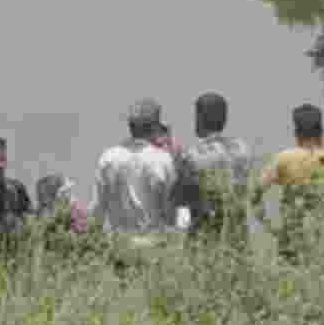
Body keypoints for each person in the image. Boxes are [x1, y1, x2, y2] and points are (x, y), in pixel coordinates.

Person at [172, 92, 260, 252]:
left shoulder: (192, 155)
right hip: (238, 239)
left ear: (199, 118)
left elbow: (178, 199)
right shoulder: (243, 150)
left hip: (205, 241)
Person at [90, 98, 181, 250]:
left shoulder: (108, 158)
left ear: (129, 126)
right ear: (154, 127)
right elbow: (171, 214)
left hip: (119, 246)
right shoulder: (163, 160)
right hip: (153, 246)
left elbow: (97, 210)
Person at [252, 104, 324, 264]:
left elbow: (255, 194)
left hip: (292, 236)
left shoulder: (284, 158)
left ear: (296, 132)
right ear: (321, 130)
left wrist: (271, 228)